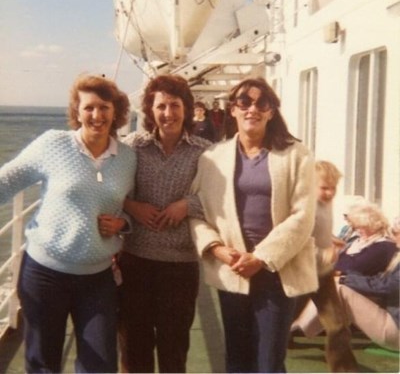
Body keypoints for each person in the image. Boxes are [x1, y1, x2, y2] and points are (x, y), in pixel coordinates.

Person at [0, 74, 136, 373]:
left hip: (97, 278)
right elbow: (8, 179)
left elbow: (127, 209)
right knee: (43, 363)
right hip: (45, 274)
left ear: (116, 112)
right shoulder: (53, 144)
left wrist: (122, 224)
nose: (96, 115)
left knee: (100, 364)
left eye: (104, 107)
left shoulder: (127, 158)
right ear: (76, 111)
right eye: (88, 108)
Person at [190, 77, 318, 373]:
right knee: (237, 357)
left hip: (276, 270)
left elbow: (303, 215)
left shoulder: (297, 155)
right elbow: (196, 210)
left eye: (263, 103)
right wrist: (216, 248)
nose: (253, 109)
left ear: (272, 111)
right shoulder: (212, 158)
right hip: (232, 268)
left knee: (269, 361)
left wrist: (261, 257)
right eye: (244, 102)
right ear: (232, 110)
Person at [119, 74, 211, 373]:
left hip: (180, 264)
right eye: (160, 106)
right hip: (135, 260)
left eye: (175, 105)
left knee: (174, 346)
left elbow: (217, 199)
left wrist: (187, 205)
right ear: (150, 109)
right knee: (136, 344)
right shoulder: (133, 146)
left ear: (186, 108)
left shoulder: (204, 152)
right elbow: (112, 191)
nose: (168, 113)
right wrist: (134, 206)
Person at [294, 217, 400, 351]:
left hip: (396, 331)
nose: (393, 237)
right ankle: (305, 329)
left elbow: (384, 286)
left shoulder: (383, 246)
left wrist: (344, 278)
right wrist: (344, 276)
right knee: (333, 286)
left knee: (339, 290)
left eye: (395, 233)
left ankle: (299, 329)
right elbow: (380, 280)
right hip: (393, 320)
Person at [291, 160, 358, 372]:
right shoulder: (304, 208)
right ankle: (265, 351)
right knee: (282, 317)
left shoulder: (325, 205)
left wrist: (330, 239)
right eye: (324, 188)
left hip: (322, 275)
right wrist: (323, 252)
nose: (329, 193)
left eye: (333, 189)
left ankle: (344, 368)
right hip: (301, 272)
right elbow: (299, 241)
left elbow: (319, 232)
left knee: (337, 324)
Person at [335, 203, 397, 276]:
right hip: (348, 282)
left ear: (373, 225)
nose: (358, 230)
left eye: (361, 227)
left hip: (362, 285)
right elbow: (338, 263)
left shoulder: (384, 246)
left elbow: (352, 268)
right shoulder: (359, 241)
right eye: (356, 227)